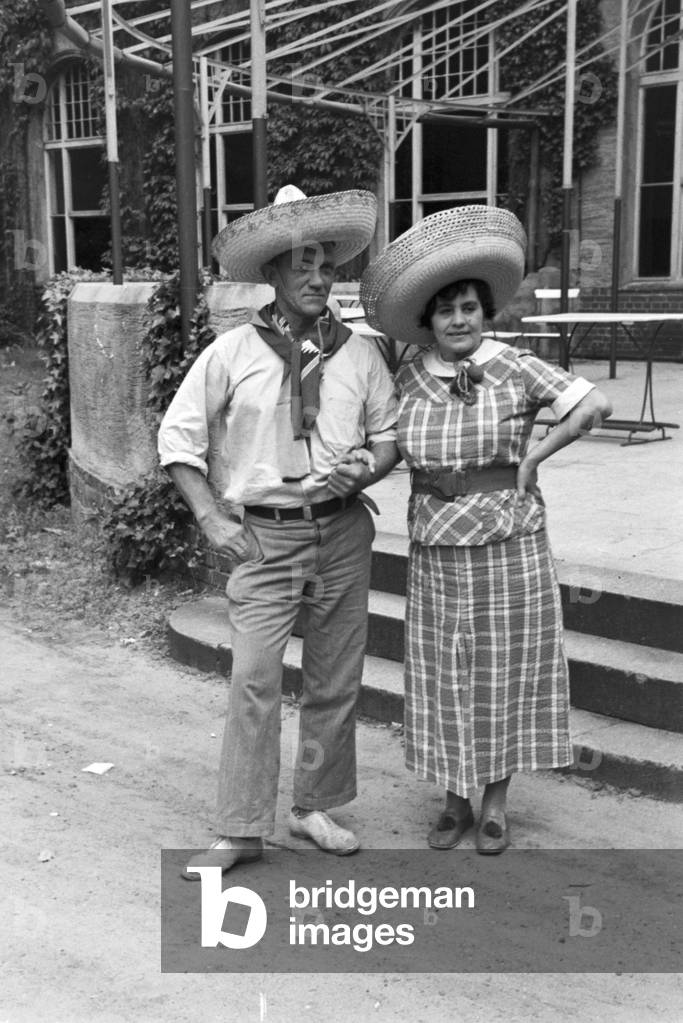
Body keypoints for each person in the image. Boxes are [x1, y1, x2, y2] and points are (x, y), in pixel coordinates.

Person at [158, 186, 399, 876]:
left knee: (334, 678)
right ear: (272, 274)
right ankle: (239, 827)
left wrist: (365, 471)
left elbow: (386, 438)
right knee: (255, 680)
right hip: (262, 538)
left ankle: (313, 805)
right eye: (302, 264)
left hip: (343, 533)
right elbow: (178, 441)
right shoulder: (231, 352)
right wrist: (211, 517)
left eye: (325, 264)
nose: (319, 277)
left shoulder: (359, 355)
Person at [360, 205, 612, 854]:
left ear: (484, 310)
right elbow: (379, 439)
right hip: (436, 549)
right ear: (428, 320)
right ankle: (452, 798)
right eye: (445, 310)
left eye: (468, 306)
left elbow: (591, 404)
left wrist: (534, 455)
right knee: (444, 674)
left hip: (510, 544)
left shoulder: (515, 364)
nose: (458, 319)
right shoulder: (408, 373)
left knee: (503, 669)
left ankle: (494, 799)